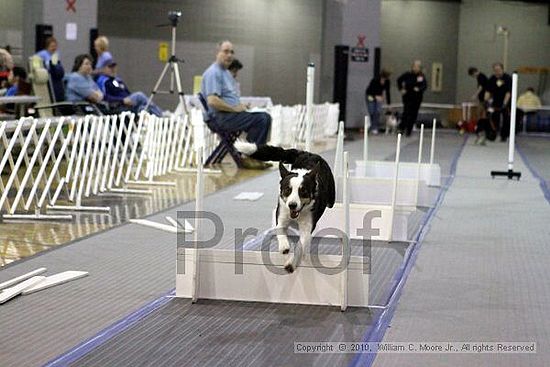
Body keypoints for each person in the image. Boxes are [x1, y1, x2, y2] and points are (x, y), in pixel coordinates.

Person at [201, 41, 271, 169]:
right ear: (217, 53)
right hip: (220, 118)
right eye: (226, 51)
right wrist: (234, 108)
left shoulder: (226, 73)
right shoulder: (213, 73)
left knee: (263, 117)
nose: (229, 55)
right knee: (262, 119)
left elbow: (228, 98)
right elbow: (212, 101)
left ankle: (254, 156)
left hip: (229, 115)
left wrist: (241, 106)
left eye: (232, 52)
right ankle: (248, 157)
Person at [96, 59, 163, 116]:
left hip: (129, 101)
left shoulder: (118, 80)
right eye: (110, 67)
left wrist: (129, 100)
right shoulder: (103, 81)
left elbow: (127, 93)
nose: (113, 69)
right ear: (104, 69)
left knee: (143, 108)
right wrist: (122, 100)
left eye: (114, 67)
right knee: (139, 95)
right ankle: (161, 114)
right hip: (118, 104)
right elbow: (105, 97)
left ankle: (160, 121)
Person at [397, 60, 427, 136]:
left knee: (413, 114)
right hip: (407, 96)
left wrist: (419, 89)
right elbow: (399, 80)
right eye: (415, 66)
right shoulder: (407, 74)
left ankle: (409, 130)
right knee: (406, 112)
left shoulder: (421, 76)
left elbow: (424, 85)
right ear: (412, 67)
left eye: (418, 67)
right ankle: (401, 128)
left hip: (417, 98)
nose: (416, 68)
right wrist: (401, 89)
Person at [485, 62, 512, 142]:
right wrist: (486, 101)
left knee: (506, 119)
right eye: (495, 70)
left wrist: (505, 103)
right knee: (493, 118)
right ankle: (493, 134)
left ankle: (504, 135)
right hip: (495, 102)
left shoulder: (507, 78)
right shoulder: (492, 78)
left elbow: (508, 92)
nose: (497, 72)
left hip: (506, 101)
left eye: (498, 70)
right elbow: (488, 91)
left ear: (502, 69)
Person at [35, 37, 65, 102]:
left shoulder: (56, 55)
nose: (54, 48)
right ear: (47, 47)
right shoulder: (42, 54)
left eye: (55, 46)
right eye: (52, 46)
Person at [365, 69, 391, 134]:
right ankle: (372, 126)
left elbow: (387, 93)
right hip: (370, 95)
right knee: (371, 111)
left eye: (385, 79)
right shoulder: (375, 80)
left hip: (379, 97)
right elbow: (370, 90)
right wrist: (375, 96)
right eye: (383, 79)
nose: (384, 80)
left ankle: (375, 127)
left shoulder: (387, 82)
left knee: (378, 111)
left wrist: (389, 104)